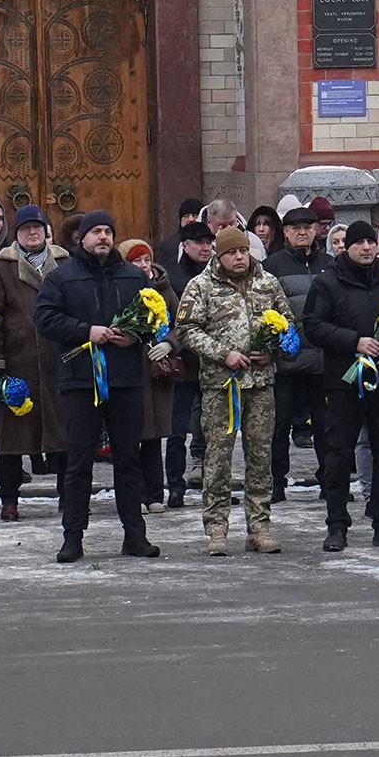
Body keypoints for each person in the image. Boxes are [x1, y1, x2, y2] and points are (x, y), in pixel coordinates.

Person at [35, 211, 159, 562]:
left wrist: (134, 335)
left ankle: (135, 535)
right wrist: (86, 331)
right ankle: (73, 536)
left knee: (128, 461)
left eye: (108, 231)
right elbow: (45, 318)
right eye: (96, 232)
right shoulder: (62, 278)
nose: (103, 237)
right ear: (82, 239)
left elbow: (154, 319)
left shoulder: (133, 278)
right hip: (80, 382)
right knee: (78, 463)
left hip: (125, 381)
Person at [176, 227, 296, 554]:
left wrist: (274, 351)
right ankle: (217, 528)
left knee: (261, 456)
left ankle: (259, 526)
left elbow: (289, 326)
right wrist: (221, 353)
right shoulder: (201, 286)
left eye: (243, 251)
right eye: (232, 252)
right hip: (221, 386)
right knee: (218, 457)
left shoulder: (267, 282)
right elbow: (185, 329)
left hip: (261, 384)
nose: (239, 257)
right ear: (220, 255)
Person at [303, 220, 379, 551]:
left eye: (371, 241)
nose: (367, 247)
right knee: (338, 454)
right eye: (359, 242)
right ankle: (336, 525)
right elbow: (313, 326)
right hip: (344, 382)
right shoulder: (327, 283)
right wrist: (355, 341)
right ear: (346, 247)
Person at [0, 204, 69, 522]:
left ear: (46, 231)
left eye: (37, 227)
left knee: (64, 433)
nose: (32, 233)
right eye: (25, 228)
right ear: (15, 233)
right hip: (18, 363)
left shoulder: (65, 262)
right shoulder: (0, 267)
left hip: (61, 362)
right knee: (13, 438)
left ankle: (68, 495)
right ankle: (10, 499)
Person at [266, 203, 331, 484]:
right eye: (296, 229)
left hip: (321, 358)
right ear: (286, 232)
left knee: (325, 424)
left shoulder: (329, 264)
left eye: (308, 227)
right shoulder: (272, 265)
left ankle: (330, 480)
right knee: (279, 425)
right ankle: (277, 482)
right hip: (286, 361)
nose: (303, 233)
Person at [122, 238, 180, 520]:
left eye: (147, 260)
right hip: (131, 369)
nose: (144, 266)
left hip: (157, 370)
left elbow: (182, 323)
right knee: (133, 433)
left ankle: (155, 493)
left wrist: (169, 342)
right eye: (137, 261)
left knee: (155, 434)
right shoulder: (121, 287)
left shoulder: (163, 287)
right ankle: (134, 494)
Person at [164, 220, 216, 505]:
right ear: (184, 246)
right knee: (177, 429)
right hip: (182, 363)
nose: (205, 248)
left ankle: (214, 486)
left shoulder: (219, 277)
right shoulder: (173, 277)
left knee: (214, 429)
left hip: (213, 364)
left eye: (209, 243)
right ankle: (175, 485)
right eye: (198, 243)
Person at [154, 197, 206, 269]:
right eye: (186, 216)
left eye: (194, 215)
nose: (190, 219)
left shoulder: (209, 242)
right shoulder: (168, 246)